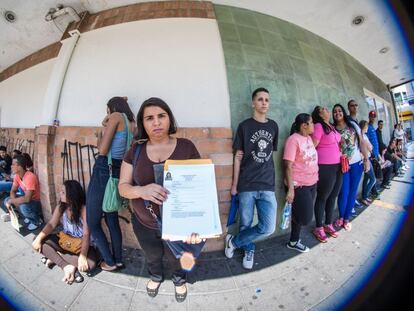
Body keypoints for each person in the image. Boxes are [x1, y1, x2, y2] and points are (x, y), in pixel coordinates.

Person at [119, 97, 202, 302]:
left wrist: (198, 223)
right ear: (142, 123)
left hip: (179, 224)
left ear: (169, 119)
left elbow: (200, 186)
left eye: (161, 116)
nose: (156, 122)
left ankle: (179, 279)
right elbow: (122, 187)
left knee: (177, 257)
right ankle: (155, 276)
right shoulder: (135, 150)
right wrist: (141, 191)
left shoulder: (186, 147)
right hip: (145, 222)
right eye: (149, 118)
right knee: (152, 254)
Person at [225, 87, 278, 269]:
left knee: (268, 227)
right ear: (253, 103)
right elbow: (238, 157)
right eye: (260, 99)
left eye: (267, 100)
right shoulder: (244, 126)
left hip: (267, 184)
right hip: (246, 184)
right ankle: (248, 248)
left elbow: (270, 155)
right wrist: (234, 185)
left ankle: (234, 242)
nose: (264, 102)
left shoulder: (273, 126)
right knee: (245, 223)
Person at [86, 96, 135, 271]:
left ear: (111, 108)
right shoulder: (131, 123)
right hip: (118, 170)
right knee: (111, 217)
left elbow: (102, 149)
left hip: (103, 169)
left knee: (92, 222)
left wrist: (103, 127)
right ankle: (118, 260)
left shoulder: (115, 117)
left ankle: (110, 261)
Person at [32, 180, 97, 284]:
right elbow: (51, 224)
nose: (60, 194)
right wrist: (39, 238)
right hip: (65, 240)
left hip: (81, 245)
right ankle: (66, 266)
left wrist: (83, 256)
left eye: (63, 192)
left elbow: (86, 234)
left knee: (90, 265)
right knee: (37, 240)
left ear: (72, 195)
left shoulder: (84, 209)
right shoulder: (61, 207)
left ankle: (55, 257)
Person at [283, 113, 318, 252]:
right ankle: (294, 239)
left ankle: (293, 241)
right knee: (305, 218)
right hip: (299, 185)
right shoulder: (293, 140)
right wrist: (291, 189)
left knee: (299, 215)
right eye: (312, 123)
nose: (313, 125)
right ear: (304, 125)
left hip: (312, 183)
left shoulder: (308, 138)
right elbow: (288, 165)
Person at [333, 104, 369, 232]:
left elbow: (362, 142)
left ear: (343, 112)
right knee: (344, 192)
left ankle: (347, 219)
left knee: (352, 192)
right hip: (342, 165)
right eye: (335, 111)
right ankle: (341, 217)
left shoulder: (353, 125)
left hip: (357, 164)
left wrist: (366, 160)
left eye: (339, 110)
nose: (337, 113)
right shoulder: (333, 129)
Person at [311, 106, 342, 242]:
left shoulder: (332, 127)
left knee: (333, 196)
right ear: (319, 114)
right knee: (323, 197)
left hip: (338, 165)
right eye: (323, 108)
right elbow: (312, 146)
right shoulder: (318, 126)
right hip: (325, 167)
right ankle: (318, 227)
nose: (327, 109)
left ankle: (328, 223)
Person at [2, 155, 42, 230]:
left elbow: (27, 199)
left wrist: (13, 201)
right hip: (27, 200)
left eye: (13, 164)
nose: (11, 166)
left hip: (36, 202)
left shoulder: (30, 177)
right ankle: (19, 214)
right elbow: (13, 191)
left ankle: (37, 221)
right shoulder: (17, 176)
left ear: (20, 167)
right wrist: (13, 201)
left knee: (23, 207)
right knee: (6, 200)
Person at [360, 120, 376, 206]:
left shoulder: (362, 136)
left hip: (366, 159)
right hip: (366, 160)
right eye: (366, 126)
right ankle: (364, 197)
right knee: (373, 179)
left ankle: (364, 196)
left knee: (366, 179)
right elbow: (370, 147)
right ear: (364, 127)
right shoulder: (363, 136)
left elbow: (370, 146)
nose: (367, 128)